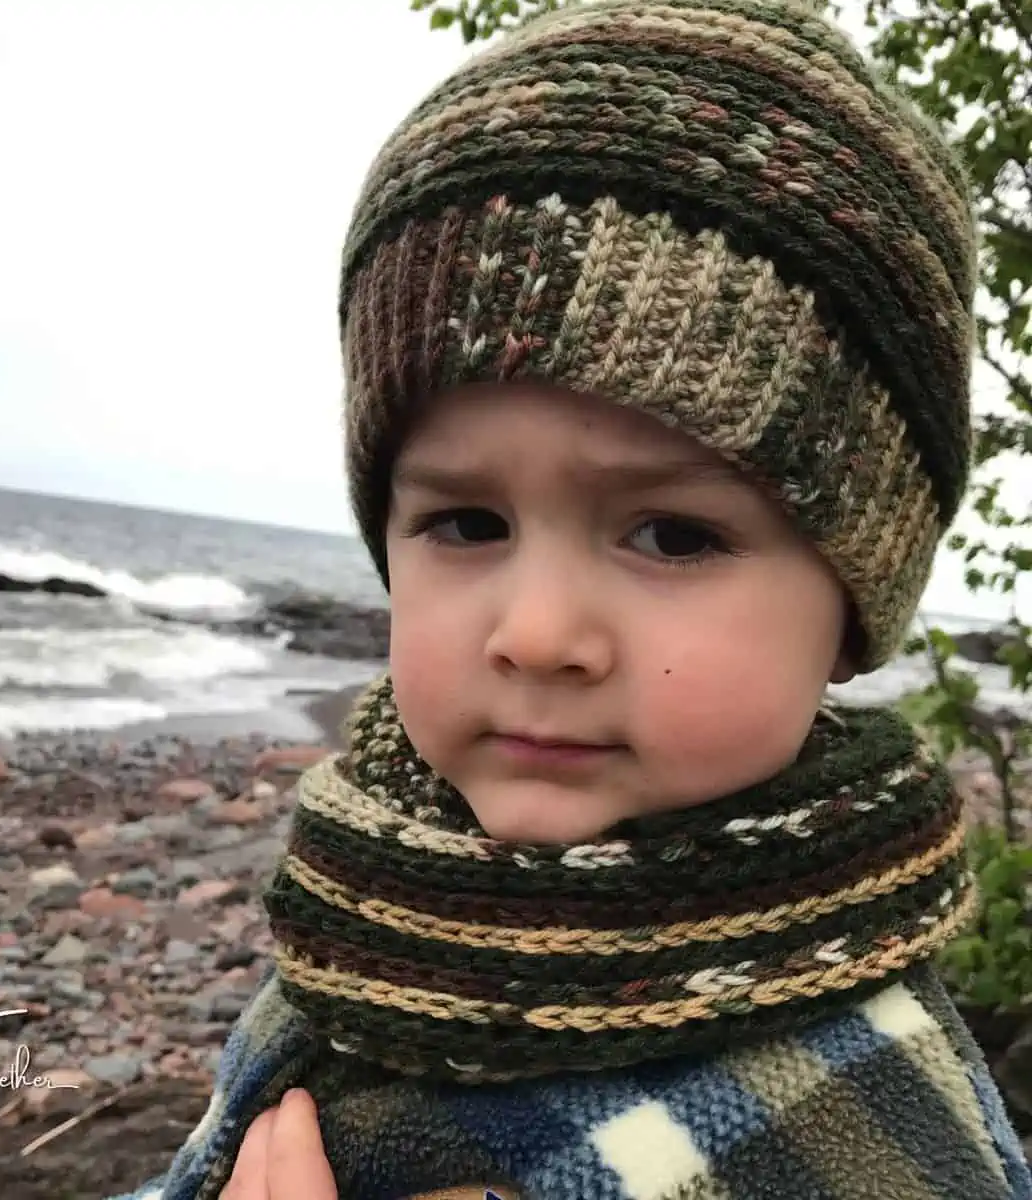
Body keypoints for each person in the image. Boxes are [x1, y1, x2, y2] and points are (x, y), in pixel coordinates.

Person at [118, 0, 1032, 1196]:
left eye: (673, 534)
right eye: (467, 524)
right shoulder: (374, 912)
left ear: (852, 606)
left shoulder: (869, 1125)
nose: (538, 633)